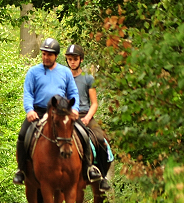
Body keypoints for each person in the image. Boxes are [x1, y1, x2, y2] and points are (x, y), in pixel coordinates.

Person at [13, 37, 102, 185]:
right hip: (39, 112)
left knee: (84, 134)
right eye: (44, 54)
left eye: (49, 54)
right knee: (23, 135)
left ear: (55, 56)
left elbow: (73, 93)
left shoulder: (65, 72)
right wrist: (29, 110)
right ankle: (21, 170)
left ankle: (88, 168)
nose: (46, 57)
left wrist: (74, 109)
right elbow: (28, 93)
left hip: (60, 113)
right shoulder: (33, 72)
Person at [65, 44, 111, 192]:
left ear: (81, 60)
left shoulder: (88, 78)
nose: (72, 62)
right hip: (66, 115)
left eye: (75, 59)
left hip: (85, 115)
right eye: (70, 59)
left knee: (100, 139)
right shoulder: (62, 77)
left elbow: (94, 103)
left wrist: (87, 118)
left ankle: (102, 176)